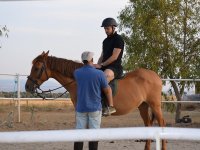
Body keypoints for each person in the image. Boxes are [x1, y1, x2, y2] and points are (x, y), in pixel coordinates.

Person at [73, 51, 116, 150]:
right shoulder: (99, 74)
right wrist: (111, 105)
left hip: (81, 108)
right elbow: (107, 90)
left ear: (83, 61)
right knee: (94, 135)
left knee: (79, 134)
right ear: (92, 60)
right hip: (95, 108)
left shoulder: (77, 73)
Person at [94, 18, 124, 115]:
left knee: (103, 78)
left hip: (115, 67)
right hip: (105, 66)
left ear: (113, 28)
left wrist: (102, 64)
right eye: (105, 29)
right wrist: (97, 65)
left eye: (107, 28)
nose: (106, 30)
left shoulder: (118, 39)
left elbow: (114, 57)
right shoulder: (105, 41)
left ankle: (110, 106)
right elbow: (102, 55)